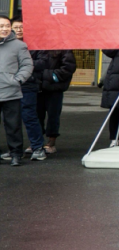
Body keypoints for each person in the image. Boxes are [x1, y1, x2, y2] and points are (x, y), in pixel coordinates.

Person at [20, 39, 74, 160]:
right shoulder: (33, 45)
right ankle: (37, 143)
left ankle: (51, 142)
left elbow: (68, 67)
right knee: (36, 115)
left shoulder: (62, 46)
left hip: (54, 88)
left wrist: (47, 75)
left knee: (53, 116)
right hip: (36, 87)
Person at [0, 15, 33, 167]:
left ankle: (15, 154)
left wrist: (18, 80)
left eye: (7, 26)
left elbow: (27, 65)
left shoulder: (19, 46)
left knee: (13, 126)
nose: (5, 29)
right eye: (1, 26)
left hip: (11, 92)